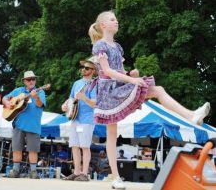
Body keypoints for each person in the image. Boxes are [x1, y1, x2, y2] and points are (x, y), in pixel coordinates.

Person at [88, 11, 211, 189]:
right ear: (103, 26)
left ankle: (191, 115)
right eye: (112, 19)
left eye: (116, 19)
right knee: (111, 134)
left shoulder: (117, 46)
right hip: (108, 92)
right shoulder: (99, 45)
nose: (116, 21)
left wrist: (131, 74)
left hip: (119, 86)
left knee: (158, 90)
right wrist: (132, 80)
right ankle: (115, 177)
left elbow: (120, 72)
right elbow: (107, 71)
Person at [2, 71, 46, 179]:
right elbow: (4, 98)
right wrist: (7, 102)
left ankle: (33, 171)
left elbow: (40, 104)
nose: (31, 81)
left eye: (33, 79)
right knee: (17, 148)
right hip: (19, 124)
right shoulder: (18, 91)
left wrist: (35, 97)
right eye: (29, 79)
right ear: (24, 81)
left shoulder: (40, 92)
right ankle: (16, 170)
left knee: (33, 149)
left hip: (33, 125)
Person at [61, 58, 96, 181]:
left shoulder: (94, 84)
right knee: (74, 146)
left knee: (85, 147)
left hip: (86, 120)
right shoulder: (77, 83)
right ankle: (76, 172)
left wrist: (84, 98)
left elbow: (95, 104)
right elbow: (70, 98)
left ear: (93, 70)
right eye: (83, 67)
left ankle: (85, 174)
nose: (83, 69)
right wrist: (65, 105)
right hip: (74, 118)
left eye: (87, 68)